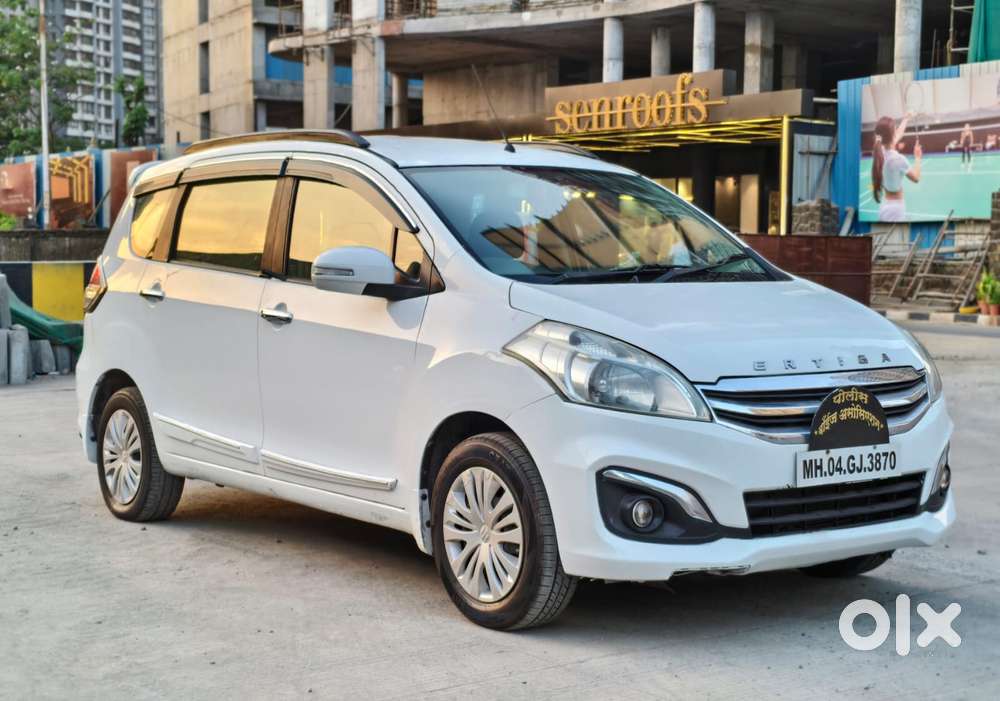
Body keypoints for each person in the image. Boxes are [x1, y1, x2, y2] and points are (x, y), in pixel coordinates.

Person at [871, 114, 922, 222]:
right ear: (892, 135)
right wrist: (917, 157)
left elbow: (898, 133)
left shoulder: (879, 152)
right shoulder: (898, 159)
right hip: (895, 211)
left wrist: (906, 118)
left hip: (885, 205)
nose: (897, 131)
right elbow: (916, 178)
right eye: (895, 129)